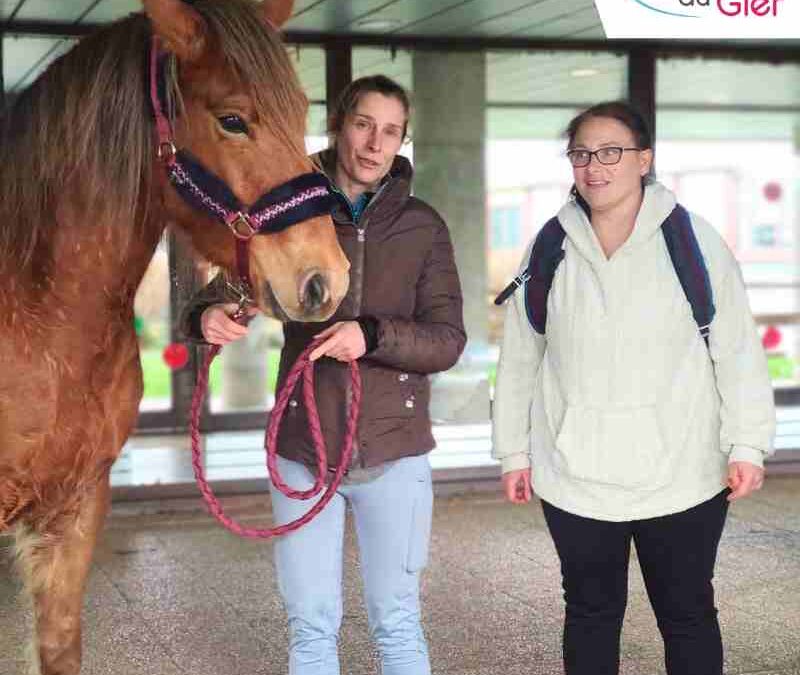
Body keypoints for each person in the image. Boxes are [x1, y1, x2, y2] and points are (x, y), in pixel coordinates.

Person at [181, 75, 465, 675]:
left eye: (391, 131)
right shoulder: (288, 209)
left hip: (394, 450)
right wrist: (205, 317)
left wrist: (372, 336)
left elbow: (447, 340)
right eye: (363, 125)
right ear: (339, 126)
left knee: (397, 622)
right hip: (303, 451)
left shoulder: (423, 227)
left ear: (402, 140)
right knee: (310, 627)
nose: (375, 144)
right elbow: (223, 292)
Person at [492, 100, 775, 675]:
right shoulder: (550, 246)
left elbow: (737, 349)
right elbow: (521, 356)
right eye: (581, 154)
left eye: (610, 152)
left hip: (683, 472)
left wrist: (748, 444)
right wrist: (513, 453)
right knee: (590, 614)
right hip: (575, 476)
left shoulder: (693, 241)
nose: (594, 167)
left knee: (687, 613)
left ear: (644, 159)